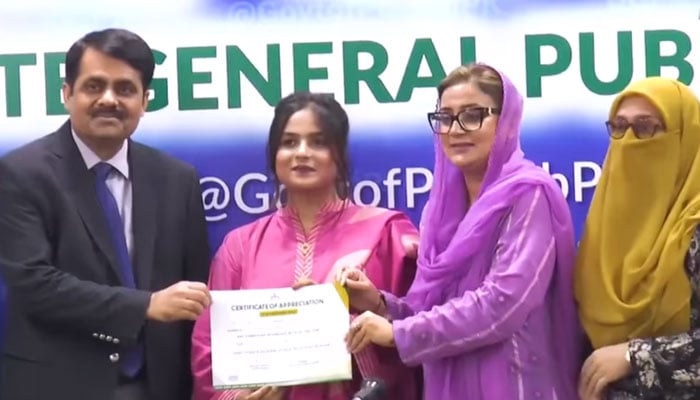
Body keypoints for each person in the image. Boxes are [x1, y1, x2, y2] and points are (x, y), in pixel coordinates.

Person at [340, 63, 581, 399]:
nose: (455, 130)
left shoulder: (527, 193)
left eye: (472, 115)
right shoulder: (440, 210)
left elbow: (503, 304)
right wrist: (380, 304)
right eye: (445, 117)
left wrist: (399, 333)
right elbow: (430, 309)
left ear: (506, 120)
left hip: (515, 386)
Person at [0, 28, 212, 400]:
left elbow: (195, 289)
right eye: (94, 86)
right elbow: (35, 285)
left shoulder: (178, 180)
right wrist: (146, 305)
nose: (109, 100)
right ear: (67, 94)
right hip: (56, 386)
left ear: (145, 100)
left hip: (159, 387)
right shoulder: (19, 174)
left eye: (125, 89)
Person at [190, 91, 421, 400]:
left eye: (318, 142)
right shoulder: (241, 246)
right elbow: (208, 346)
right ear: (274, 155)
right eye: (289, 142)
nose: (302, 153)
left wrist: (371, 310)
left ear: (339, 155)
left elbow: (427, 328)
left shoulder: (387, 234)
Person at [575, 77, 700, 400]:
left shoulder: (695, 224)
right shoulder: (603, 225)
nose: (630, 140)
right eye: (619, 127)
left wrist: (636, 356)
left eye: (646, 128)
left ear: (686, 137)